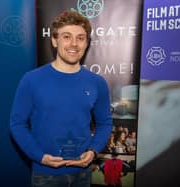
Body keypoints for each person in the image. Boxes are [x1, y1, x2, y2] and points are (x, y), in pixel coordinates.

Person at [10, 10, 112, 187]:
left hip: (83, 173)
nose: (74, 44)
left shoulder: (97, 83)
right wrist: (40, 157)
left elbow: (105, 123)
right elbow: (17, 124)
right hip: (45, 175)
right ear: (54, 40)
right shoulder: (31, 80)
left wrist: (94, 151)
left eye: (80, 38)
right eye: (67, 36)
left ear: (87, 43)